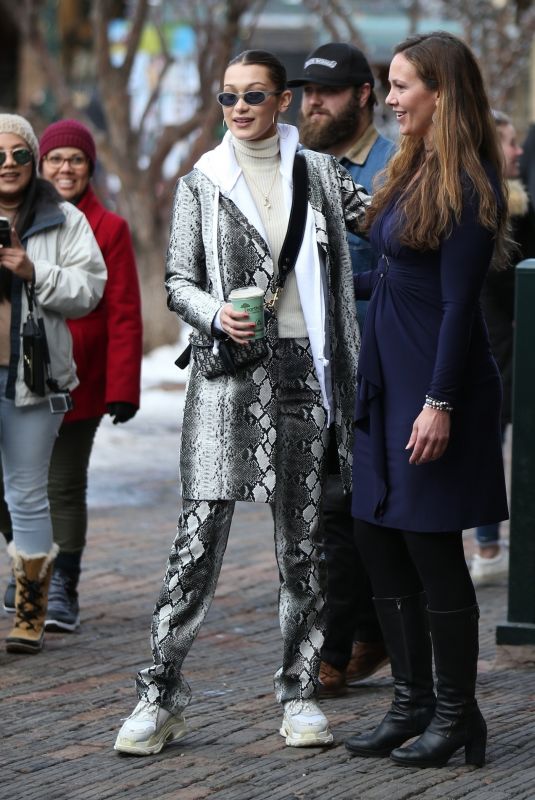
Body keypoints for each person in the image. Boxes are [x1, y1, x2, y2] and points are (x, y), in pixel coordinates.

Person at [114, 49, 368, 756]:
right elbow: (175, 280)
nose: (239, 109)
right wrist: (214, 311)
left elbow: (389, 219)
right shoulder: (202, 179)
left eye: (253, 95)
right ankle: (156, 695)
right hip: (227, 376)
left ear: (282, 100)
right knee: (195, 544)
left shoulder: (318, 174)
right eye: (227, 98)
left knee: (304, 548)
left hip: (304, 375)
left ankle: (299, 695)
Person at [344, 32, 508, 769]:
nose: (390, 97)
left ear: (440, 91)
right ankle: (408, 705)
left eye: (403, 84)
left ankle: (455, 714)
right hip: (385, 378)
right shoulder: (410, 169)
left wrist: (439, 402)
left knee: (428, 547)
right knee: (378, 538)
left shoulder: (469, 185)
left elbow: (455, 304)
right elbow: (391, 279)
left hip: (431, 384)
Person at [0, 120, 143, 630]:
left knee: (58, 486)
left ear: (89, 167)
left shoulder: (105, 227)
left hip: (73, 376)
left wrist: (123, 388)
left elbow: (123, 309)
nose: (65, 168)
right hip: (16, 370)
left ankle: (61, 587)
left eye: (75, 160)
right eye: (56, 159)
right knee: (17, 487)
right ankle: (30, 570)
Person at [289, 42, 396, 697]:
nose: (312, 103)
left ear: (364, 94)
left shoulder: (391, 168)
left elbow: (405, 262)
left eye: (326, 92)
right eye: (306, 92)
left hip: (377, 363)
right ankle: (365, 631)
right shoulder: (296, 167)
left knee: (349, 509)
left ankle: (336, 646)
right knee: (324, 509)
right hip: (307, 365)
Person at [469, 111, 535, 586]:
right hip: (498, 343)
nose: (517, 153)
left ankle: (489, 546)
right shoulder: (495, 208)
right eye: (509, 144)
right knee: (493, 442)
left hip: (499, 341)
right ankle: (489, 548)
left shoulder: (512, 203)